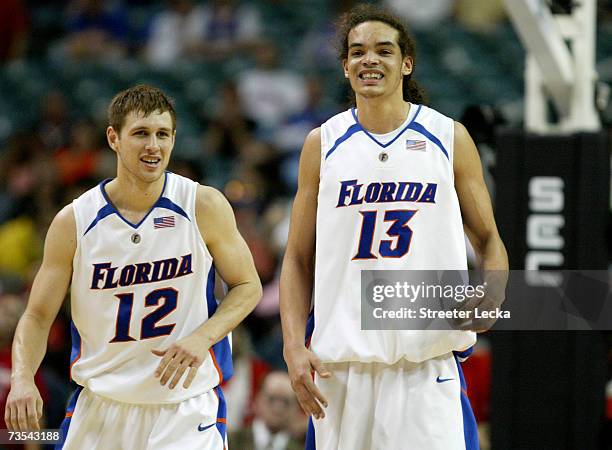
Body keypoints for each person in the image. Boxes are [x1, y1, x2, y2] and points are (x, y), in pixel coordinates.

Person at [279, 5, 508, 450]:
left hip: (424, 365)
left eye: (384, 50)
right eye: (358, 51)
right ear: (345, 66)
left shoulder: (448, 138)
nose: (370, 60)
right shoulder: (322, 143)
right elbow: (297, 258)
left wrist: (493, 293)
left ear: (406, 63)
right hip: (340, 369)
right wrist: (293, 346)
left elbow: (489, 240)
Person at [4, 85, 262, 449]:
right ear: (114, 138)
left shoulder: (202, 204)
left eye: (163, 135)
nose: (153, 146)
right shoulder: (75, 221)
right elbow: (36, 316)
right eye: (141, 133)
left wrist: (203, 336)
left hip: (184, 407)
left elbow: (248, 286)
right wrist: (22, 378)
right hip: (101, 405)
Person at [228, 371, 304, 450]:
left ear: (296, 407)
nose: (278, 408)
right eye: (272, 399)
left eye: (285, 402)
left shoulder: (304, 447)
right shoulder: (229, 441)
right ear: (258, 399)